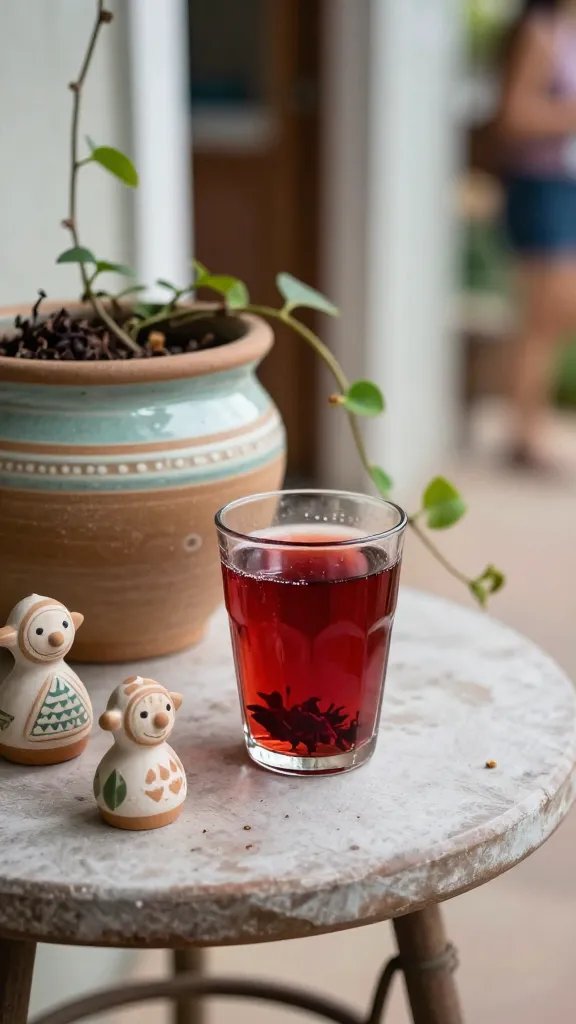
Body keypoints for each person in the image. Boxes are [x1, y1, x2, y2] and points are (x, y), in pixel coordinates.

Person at [496, 0, 576, 469]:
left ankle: (529, 428)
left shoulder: (565, 29)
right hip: (538, 187)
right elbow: (515, 114)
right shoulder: (540, 32)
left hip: (562, 185)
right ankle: (524, 436)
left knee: (554, 313)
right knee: (541, 316)